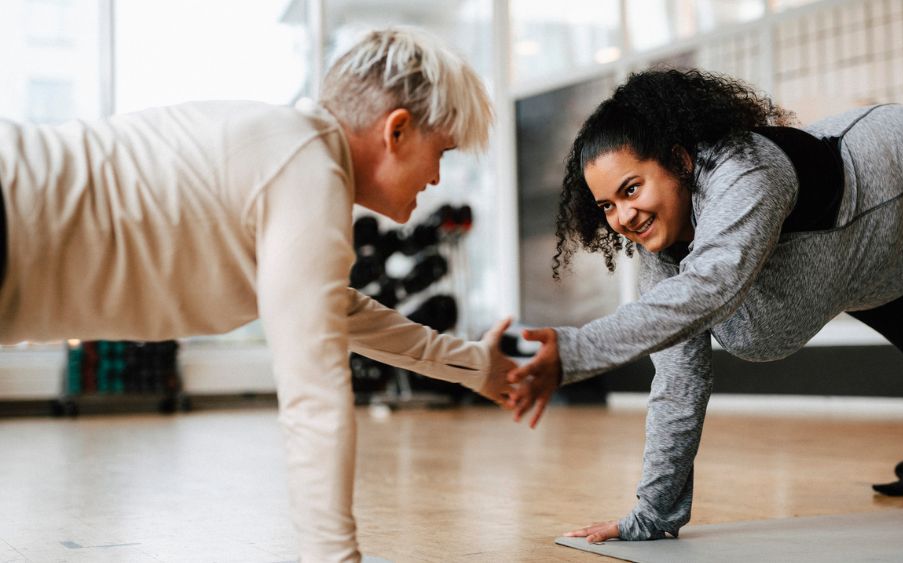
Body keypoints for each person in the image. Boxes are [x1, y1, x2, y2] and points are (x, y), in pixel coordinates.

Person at [0, 27, 516, 562]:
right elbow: (313, 395)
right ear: (398, 131)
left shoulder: (294, 152)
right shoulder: (306, 168)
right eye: (443, 153)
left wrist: (475, 365)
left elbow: (342, 314)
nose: (437, 176)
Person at [506, 68, 903, 543]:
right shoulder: (661, 251)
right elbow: (678, 380)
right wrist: (652, 516)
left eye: (631, 189)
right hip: (886, 270)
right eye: (607, 206)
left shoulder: (748, 173)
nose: (624, 217)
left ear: (680, 161)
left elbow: (710, 286)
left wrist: (578, 350)